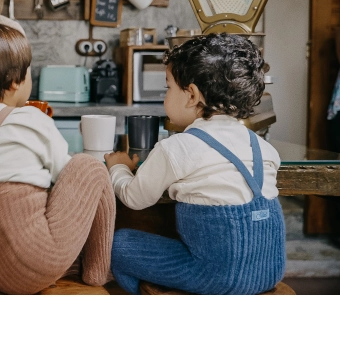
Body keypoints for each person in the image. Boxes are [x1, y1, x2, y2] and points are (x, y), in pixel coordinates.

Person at [0, 22, 115, 294]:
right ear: (14, 81)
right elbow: (65, 174)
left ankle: (71, 265)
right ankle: (98, 271)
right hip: (38, 263)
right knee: (90, 168)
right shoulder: (30, 119)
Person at [105, 33, 285, 295]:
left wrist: (118, 167)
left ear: (191, 95)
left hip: (214, 276)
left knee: (119, 245)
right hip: (269, 271)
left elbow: (134, 198)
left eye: (168, 87)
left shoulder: (176, 147)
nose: (165, 95)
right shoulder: (264, 148)